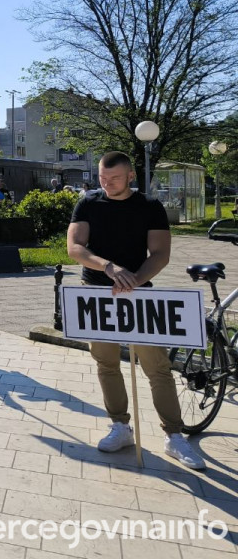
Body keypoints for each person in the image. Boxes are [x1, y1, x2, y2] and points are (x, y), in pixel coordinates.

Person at [67, 151, 205, 470]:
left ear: (130, 176)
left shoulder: (149, 206)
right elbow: (75, 247)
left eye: (114, 178)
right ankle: (120, 426)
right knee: (106, 362)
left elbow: (160, 253)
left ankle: (174, 434)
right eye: (102, 177)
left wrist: (136, 280)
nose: (106, 183)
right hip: (97, 294)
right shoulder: (88, 203)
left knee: (156, 366)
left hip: (139, 295)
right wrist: (109, 268)